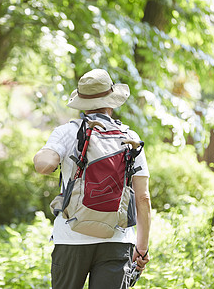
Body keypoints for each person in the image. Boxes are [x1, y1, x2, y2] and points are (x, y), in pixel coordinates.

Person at [33, 69, 151, 289]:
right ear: (111, 102)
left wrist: (44, 155)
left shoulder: (67, 132)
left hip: (71, 237)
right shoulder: (130, 138)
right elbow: (143, 198)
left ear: (82, 103)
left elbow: (44, 165)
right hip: (116, 240)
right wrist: (141, 248)